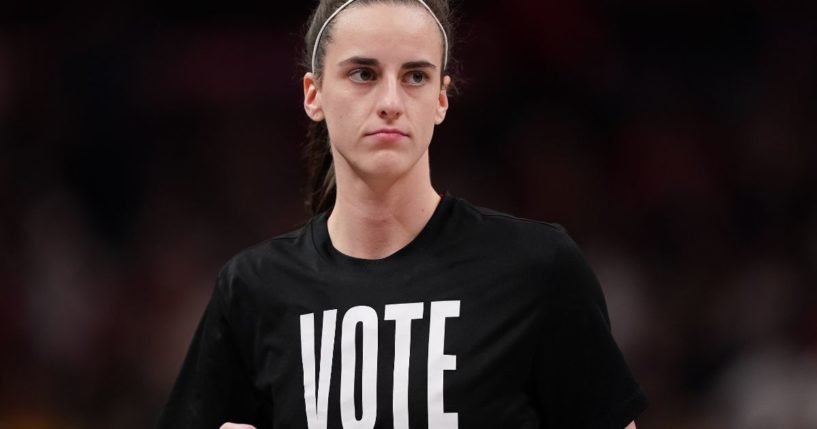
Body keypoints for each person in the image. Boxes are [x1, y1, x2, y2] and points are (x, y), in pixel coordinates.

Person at [156, 0, 647, 428]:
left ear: (440, 99)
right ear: (314, 95)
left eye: (415, 76)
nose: (390, 102)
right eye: (363, 74)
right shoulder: (254, 290)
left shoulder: (537, 270)